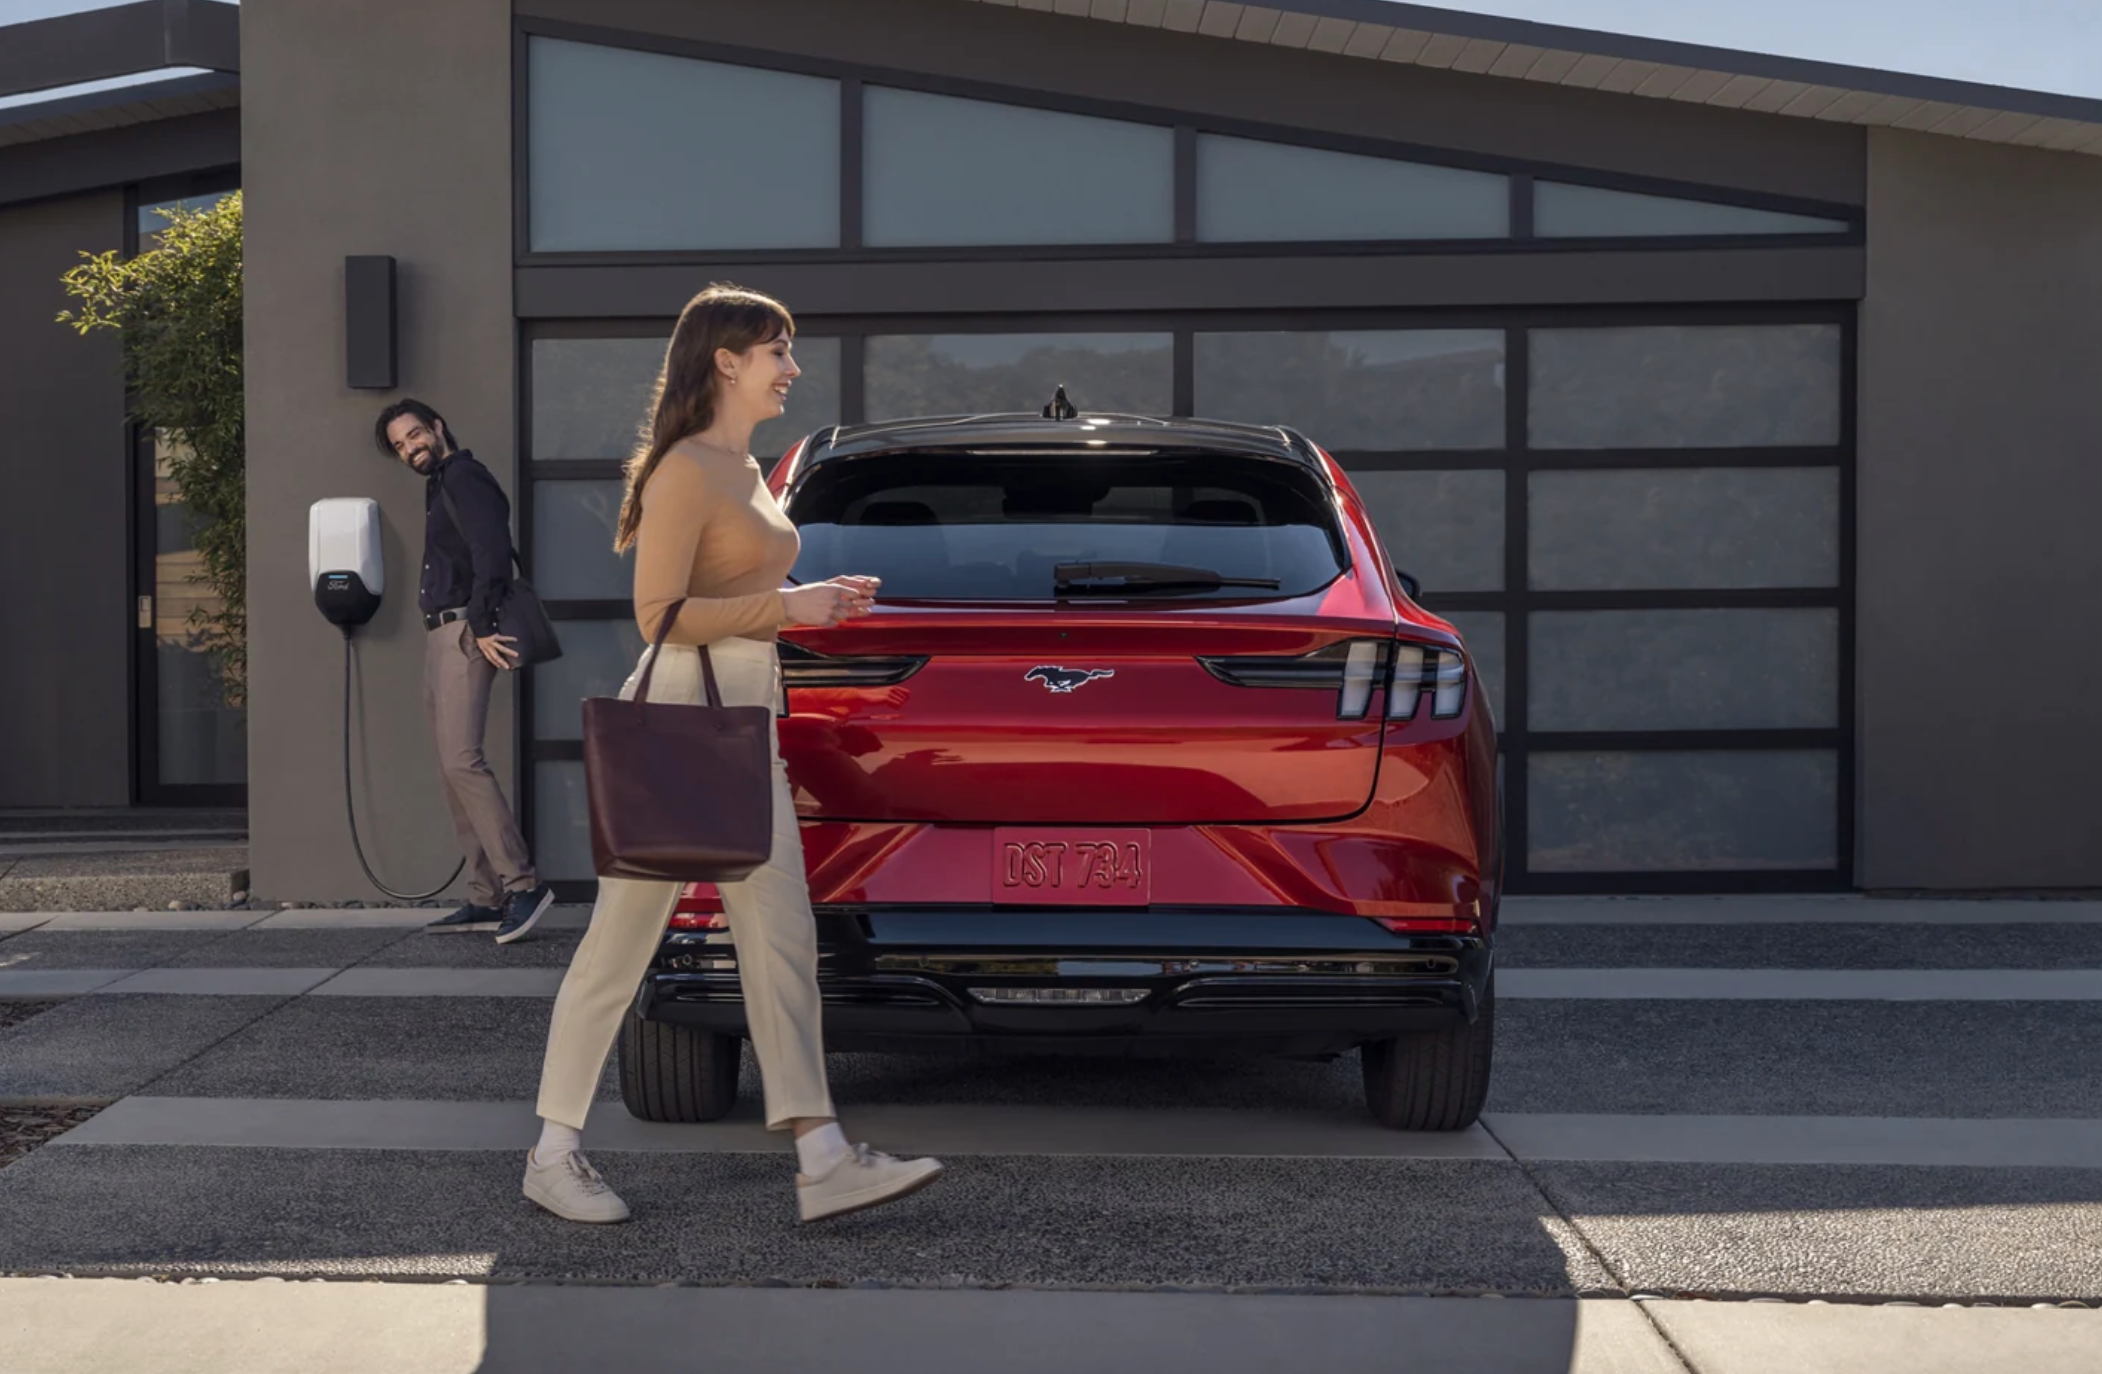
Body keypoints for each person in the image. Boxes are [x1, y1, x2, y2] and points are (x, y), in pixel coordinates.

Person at [523, 283, 943, 1225]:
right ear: (726, 360)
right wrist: (790, 607)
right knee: (620, 946)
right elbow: (659, 615)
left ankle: (822, 1153)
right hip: (684, 719)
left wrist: (818, 596)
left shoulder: (743, 467)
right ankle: (552, 1153)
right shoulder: (686, 470)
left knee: (783, 938)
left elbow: (739, 584)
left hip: (742, 720)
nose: (792, 369)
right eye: (777, 352)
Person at [374, 399, 556, 944]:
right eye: (401, 446)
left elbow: (492, 552)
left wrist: (478, 623)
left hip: (463, 631)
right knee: (450, 768)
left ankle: (523, 885)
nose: (410, 449)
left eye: (414, 435)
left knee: (463, 761)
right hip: (441, 634)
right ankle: (486, 894)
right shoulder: (441, 483)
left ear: (437, 426)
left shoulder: (464, 475)